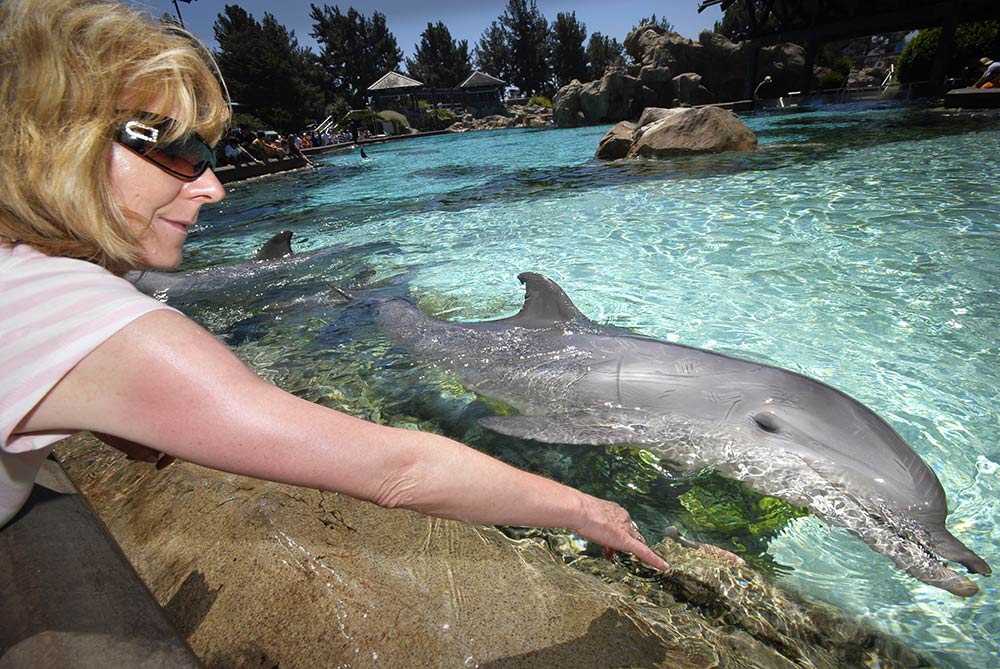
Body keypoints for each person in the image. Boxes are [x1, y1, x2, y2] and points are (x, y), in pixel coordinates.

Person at [0, 0, 667, 574]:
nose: (214, 185)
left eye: (208, 154)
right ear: (62, 143)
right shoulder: (90, 319)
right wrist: (588, 509)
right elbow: (397, 471)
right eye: (181, 152)